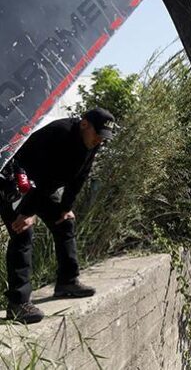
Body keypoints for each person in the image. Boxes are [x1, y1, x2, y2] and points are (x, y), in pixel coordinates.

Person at [0, 108, 115, 323]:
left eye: (103, 136)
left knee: (64, 224)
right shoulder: (60, 134)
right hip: (15, 181)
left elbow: (80, 176)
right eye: (97, 133)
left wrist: (65, 207)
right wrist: (26, 213)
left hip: (42, 186)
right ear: (84, 124)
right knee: (22, 233)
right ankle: (17, 303)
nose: (100, 140)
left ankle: (67, 282)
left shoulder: (91, 142)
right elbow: (42, 176)